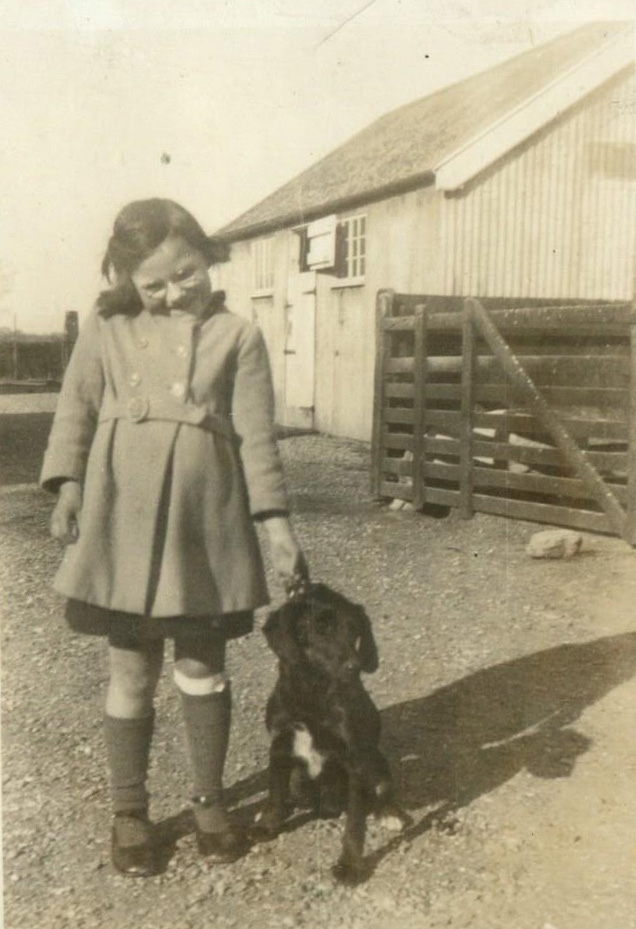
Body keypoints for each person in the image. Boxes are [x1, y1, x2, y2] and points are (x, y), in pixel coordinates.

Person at [40, 198, 307, 877]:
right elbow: (75, 409)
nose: (173, 293)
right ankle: (129, 812)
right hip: (122, 524)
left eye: (186, 273)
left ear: (207, 256)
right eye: (152, 284)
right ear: (127, 280)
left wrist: (276, 527)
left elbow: (257, 441)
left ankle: (209, 801)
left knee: (202, 668)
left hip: (203, 528)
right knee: (131, 671)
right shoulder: (107, 328)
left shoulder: (239, 337)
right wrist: (67, 484)